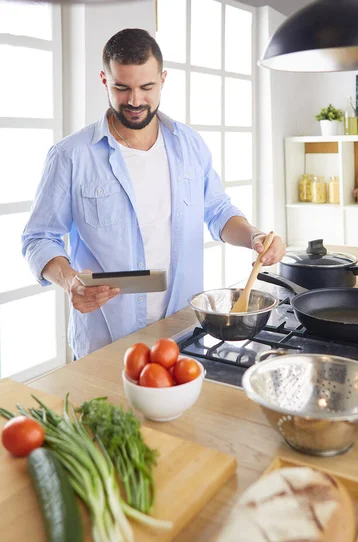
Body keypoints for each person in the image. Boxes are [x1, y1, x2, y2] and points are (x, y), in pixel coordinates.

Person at [22, 28, 286, 359]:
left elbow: (218, 211)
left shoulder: (189, 144)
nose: (134, 100)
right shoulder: (70, 155)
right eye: (122, 87)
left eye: (146, 87)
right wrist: (70, 281)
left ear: (162, 79)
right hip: (105, 343)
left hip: (183, 335)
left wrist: (254, 236)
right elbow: (38, 238)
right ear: (104, 80)